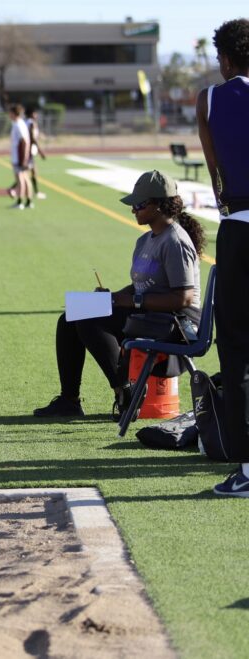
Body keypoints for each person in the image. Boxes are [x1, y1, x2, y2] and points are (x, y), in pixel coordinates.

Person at [33, 170, 204, 419]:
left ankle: (125, 393)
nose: (133, 209)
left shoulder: (175, 241)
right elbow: (141, 287)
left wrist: (132, 301)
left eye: (139, 204)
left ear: (158, 205)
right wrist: (110, 297)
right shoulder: (145, 240)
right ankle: (70, 400)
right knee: (70, 318)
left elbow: (183, 299)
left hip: (177, 324)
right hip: (151, 314)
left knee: (89, 320)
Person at [196, 18, 249, 496]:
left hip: (240, 227)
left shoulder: (209, 99)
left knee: (237, 347)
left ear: (227, 59)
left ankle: (247, 468)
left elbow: (215, 176)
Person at [8, 104, 33, 209]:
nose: (9, 115)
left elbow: (24, 141)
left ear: (14, 113)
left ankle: (20, 202)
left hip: (19, 157)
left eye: (10, 113)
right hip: (20, 156)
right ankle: (29, 201)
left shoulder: (18, 124)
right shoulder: (19, 123)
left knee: (20, 179)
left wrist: (23, 158)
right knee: (25, 178)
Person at [26, 106, 48, 200]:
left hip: (29, 150)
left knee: (31, 171)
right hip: (29, 150)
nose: (37, 115)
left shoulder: (28, 122)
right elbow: (32, 138)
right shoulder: (31, 123)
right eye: (35, 113)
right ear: (31, 114)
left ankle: (36, 191)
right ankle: (14, 189)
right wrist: (40, 151)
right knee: (27, 172)